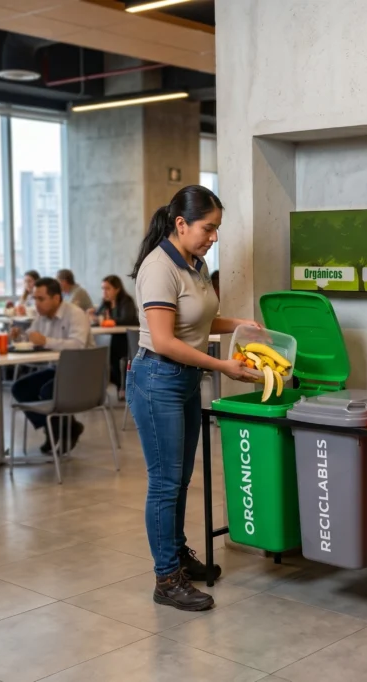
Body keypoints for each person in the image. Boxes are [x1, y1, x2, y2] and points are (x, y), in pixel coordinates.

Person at [127, 185, 257, 611]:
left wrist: (238, 323)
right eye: (208, 228)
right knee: (165, 483)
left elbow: (195, 317)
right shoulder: (159, 267)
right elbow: (163, 340)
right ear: (180, 224)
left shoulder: (193, 263)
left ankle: (177, 556)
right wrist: (223, 367)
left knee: (179, 479)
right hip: (158, 379)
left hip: (183, 379)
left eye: (217, 228)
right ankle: (167, 579)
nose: (214, 237)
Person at [10, 277, 94, 454]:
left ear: (56, 298)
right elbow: (32, 337)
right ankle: (59, 430)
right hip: (58, 369)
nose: (37, 304)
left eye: (41, 299)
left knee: (49, 391)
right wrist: (19, 337)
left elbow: (78, 345)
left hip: (83, 371)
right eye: (35, 299)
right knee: (20, 388)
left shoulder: (75, 314)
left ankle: (61, 432)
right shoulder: (41, 318)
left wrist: (46, 341)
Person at [94, 275, 138, 394]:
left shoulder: (126, 301)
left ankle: (121, 386)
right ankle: (116, 384)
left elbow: (127, 319)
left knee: (113, 350)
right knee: (103, 350)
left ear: (117, 289)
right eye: (103, 289)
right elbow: (98, 318)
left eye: (107, 289)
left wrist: (111, 321)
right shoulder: (105, 303)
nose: (105, 292)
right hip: (112, 337)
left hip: (126, 339)